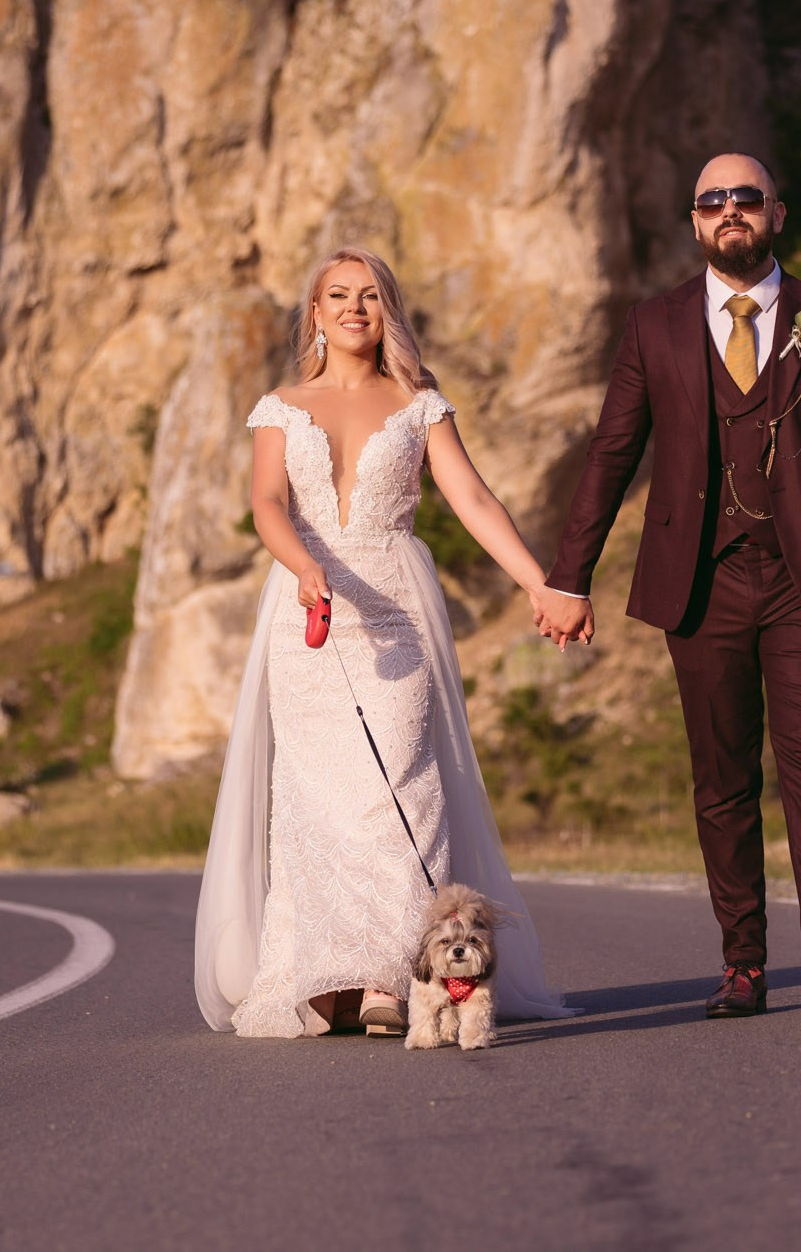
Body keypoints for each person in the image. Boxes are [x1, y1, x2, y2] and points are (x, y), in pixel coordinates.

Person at [534, 152, 801, 1019]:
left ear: (777, 212)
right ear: (694, 222)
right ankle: (743, 961)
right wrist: (569, 576)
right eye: (711, 201)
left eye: (745, 197)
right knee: (723, 776)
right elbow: (611, 455)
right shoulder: (653, 327)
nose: (728, 211)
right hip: (700, 584)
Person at [195, 246, 572, 1038]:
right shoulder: (279, 405)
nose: (355, 307)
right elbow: (267, 503)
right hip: (308, 615)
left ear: (387, 309)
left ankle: (388, 974)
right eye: (339, 295)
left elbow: (470, 495)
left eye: (370, 295)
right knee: (317, 798)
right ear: (316, 312)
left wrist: (538, 582)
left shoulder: (418, 403)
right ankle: (325, 974)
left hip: (394, 613)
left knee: (399, 782)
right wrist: (302, 566)